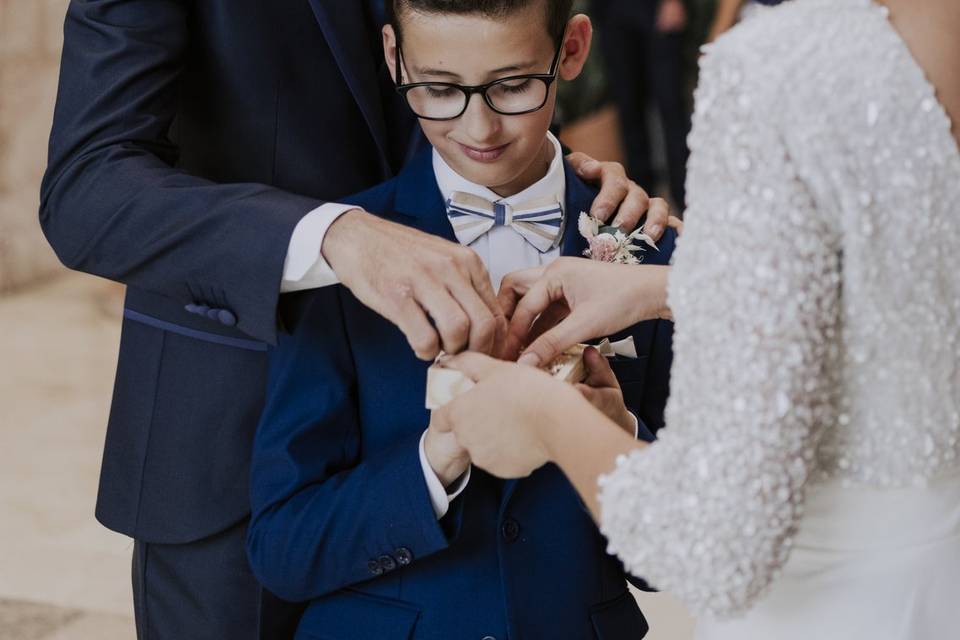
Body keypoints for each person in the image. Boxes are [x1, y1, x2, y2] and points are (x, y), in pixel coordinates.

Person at [38, 0, 668, 638]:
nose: (479, 125)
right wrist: (332, 235)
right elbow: (87, 184)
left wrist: (567, 185)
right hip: (231, 428)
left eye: (511, 86)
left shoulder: (633, 251)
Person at [434, 0, 960, 638]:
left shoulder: (781, 71)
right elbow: (905, 294)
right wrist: (671, 288)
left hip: (832, 607)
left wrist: (547, 417)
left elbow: (718, 549)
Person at [245, 2, 678, 638]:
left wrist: (619, 437)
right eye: (441, 89)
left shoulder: (651, 256)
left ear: (573, 48)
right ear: (395, 58)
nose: (480, 125)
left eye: (513, 85)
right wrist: (433, 462)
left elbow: (689, 554)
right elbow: (282, 549)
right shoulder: (340, 256)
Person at [592, 0, 691, 207]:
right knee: (628, 111)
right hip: (611, 12)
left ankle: (686, 198)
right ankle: (642, 202)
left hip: (656, 8)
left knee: (671, 107)